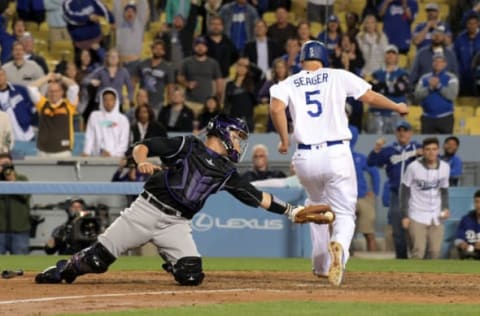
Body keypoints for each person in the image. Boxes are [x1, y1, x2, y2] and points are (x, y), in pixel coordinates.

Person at [34, 114, 312, 285]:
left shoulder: (227, 171)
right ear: (224, 132)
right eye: (238, 136)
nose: (239, 144)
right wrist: (142, 162)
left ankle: (172, 258)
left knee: (192, 276)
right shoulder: (188, 145)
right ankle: (64, 269)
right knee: (96, 262)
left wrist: (291, 211)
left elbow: (257, 197)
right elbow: (144, 146)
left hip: (176, 224)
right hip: (145, 211)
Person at [269, 40, 409, 286]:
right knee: (343, 213)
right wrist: (396, 106)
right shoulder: (337, 75)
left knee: (315, 208)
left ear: (301, 60)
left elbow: (276, 107)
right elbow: (369, 96)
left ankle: (321, 265)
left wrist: (283, 140)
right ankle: (340, 250)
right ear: (324, 58)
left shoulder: (288, 83)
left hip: (304, 157)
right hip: (335, 153)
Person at [367, 121, 421, 259]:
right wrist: (377, 148)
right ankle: (402, 258)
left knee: (418, 226)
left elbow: (433, 157)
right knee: (397, 228)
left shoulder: (419, 147)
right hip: (396, 192)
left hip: (417, 193)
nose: (402, 133)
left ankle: (420, 258)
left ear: (410, 133)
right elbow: (372, 162)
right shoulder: (390, 150)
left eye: (405, 130)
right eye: (400, 130)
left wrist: (418, 152)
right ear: (396, 133)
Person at [400, 137, 450, 259]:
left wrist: (445, 208)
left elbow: (444, 190)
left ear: (438, 150)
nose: (431, 152)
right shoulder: (413, 167)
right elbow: (404, 191)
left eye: (434, 149)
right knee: (418, 251)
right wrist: (405, 215)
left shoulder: (445, 167)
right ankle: (413, 278)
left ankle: (432, 278)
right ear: (423, 151)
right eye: (427, 149)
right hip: (417, 213)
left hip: (436, 215)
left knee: (435, 252)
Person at [28, 72, 79, 157]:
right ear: (47, 93)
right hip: (43, 151)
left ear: (62, 92)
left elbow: (74, 87)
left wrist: (61, 77)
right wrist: (47, 78)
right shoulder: (42, 104)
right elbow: (31, 88)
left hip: (62, 151)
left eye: (56, 91)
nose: (53, 94)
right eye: (51, 91)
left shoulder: (69, 104)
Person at [367, 45, 409, 134]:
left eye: (393, 53)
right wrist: (391, 86)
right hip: (378, 113)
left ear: (397, 57)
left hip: (396, 114)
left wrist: (381, 86)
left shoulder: (403, 73)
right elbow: (372, 89)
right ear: (384, 56)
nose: (390, 55)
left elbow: (399, 90)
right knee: (376, 140)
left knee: (397, 140)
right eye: (388, 53)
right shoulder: (376, 73)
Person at [414, 52, 459, 134]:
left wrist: (438, 86)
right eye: (435, 61)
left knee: (446, 144)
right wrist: (430, 88)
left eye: (440, 61)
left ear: (445, 64)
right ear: (432, 63)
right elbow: (417, 95)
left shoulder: (451, 78)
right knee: (427, 144)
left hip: (445, 118)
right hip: (427, 118)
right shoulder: (424, 78)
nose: (438, 63)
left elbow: (452, 96)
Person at [351, 126, 380, 252]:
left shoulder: (359, 157)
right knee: (341, 231)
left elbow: (374, 172)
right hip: (344, 198)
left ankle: (372, 262)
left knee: (369, 233)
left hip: (362, 197)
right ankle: (342, 259)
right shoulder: (334, 156)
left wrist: (375, 191)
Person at [82, 88, 130, 158]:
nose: (108, 102)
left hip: (117, 158)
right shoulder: (94, 116)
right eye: (105, 99)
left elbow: (124, 142)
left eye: (111, 99)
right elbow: (90, 136)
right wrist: (86, 152)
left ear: (116, 101)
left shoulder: (123, 119)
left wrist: (111, 154)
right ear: (102, 101)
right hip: (97, 157)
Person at [0, 153, 31, 254]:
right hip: (1, 230)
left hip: (20, 230)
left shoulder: (22, 179)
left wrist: (13, 180)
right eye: (2, 165)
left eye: (7, 164)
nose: (5, 168)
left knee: (21, 263)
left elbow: (25, 195)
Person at [114, 0, 149, 75]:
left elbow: (143, 5)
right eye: (127, 11)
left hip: (135, 63)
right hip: (120, 63)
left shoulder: (140, 23)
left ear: (136, 14)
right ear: (123, 13)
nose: (130, 13)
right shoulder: (120, 22)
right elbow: (117, 6)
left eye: (132, 11)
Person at [455, 190, 480, 260]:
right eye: (477, 202)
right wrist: (461, 243)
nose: (479, 205)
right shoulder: (466, 219)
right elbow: (458, 238)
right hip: (468, 253)